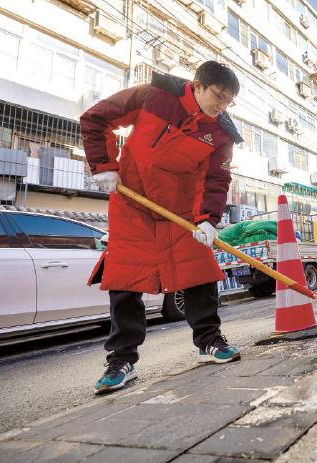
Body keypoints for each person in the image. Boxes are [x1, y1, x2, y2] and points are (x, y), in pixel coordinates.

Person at [81, 61, 244, 394]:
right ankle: (121, 361)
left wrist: (208, 219)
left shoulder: (222, 132)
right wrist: (104, 165)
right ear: (198, 85)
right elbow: (95, 118)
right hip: (133, 205)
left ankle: (209, 342)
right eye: (219, 96)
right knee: (125, 282)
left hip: (182, 212)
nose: (222, 106)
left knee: (199, 274)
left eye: (229, 101)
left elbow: (217, 178)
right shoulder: (153, 97)